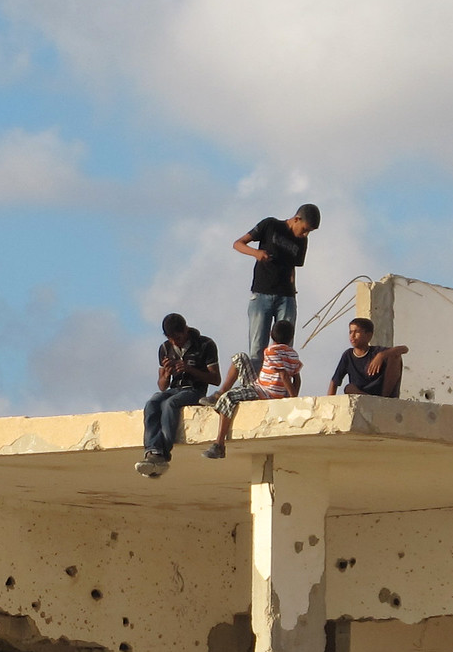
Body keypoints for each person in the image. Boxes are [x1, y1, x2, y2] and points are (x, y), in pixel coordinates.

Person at [199, 317, 303, 459]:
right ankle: (219, 393)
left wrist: (291, 399)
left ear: (271, 335)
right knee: (240, 358)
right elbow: (296, 377)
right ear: (291, 337)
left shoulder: (271, 351)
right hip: (260, 386)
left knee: (228, 398)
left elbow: (284, 375)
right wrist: (293, 396)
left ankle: (219, 444)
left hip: (263, 392)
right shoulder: (293, 354)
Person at [232, 204, 320, 363]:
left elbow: (293, 266)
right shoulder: (270, 225)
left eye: (309, 232)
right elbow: (238, 243)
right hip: (261, 294)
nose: (305, 234)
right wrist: (256, 253)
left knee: (284, 349)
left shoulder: (302, 241)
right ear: (296, 219)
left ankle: (279, 385)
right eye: (304, 229)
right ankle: (255, 385)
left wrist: (293, 289)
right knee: (257, 348)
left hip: (286, 297)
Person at [135, 313, 220, 477]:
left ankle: (162, 452)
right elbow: (162, 386)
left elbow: (215, 379)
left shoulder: (205, 344)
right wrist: (167, 374)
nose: (175, 342)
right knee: (152, 402)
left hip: (195, 390)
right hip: (174, 389)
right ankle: (151, 450)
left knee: (170, 404)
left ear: (186, 330)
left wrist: (189, 369)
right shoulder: (165, 348)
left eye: (178, 338)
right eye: (171, 339)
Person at [330, 316, 407, 398]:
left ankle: (385, 399)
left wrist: (381, 356)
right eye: (350, 332)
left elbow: (404, 349)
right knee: (349, 388)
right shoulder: (348, 355)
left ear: (368, 335)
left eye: (357, 332)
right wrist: (328, 402)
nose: (352, 336)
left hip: (381, 393)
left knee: (395, 356)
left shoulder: (377, 352)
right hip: (362, 394)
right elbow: (334, 381)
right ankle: (370, 399)